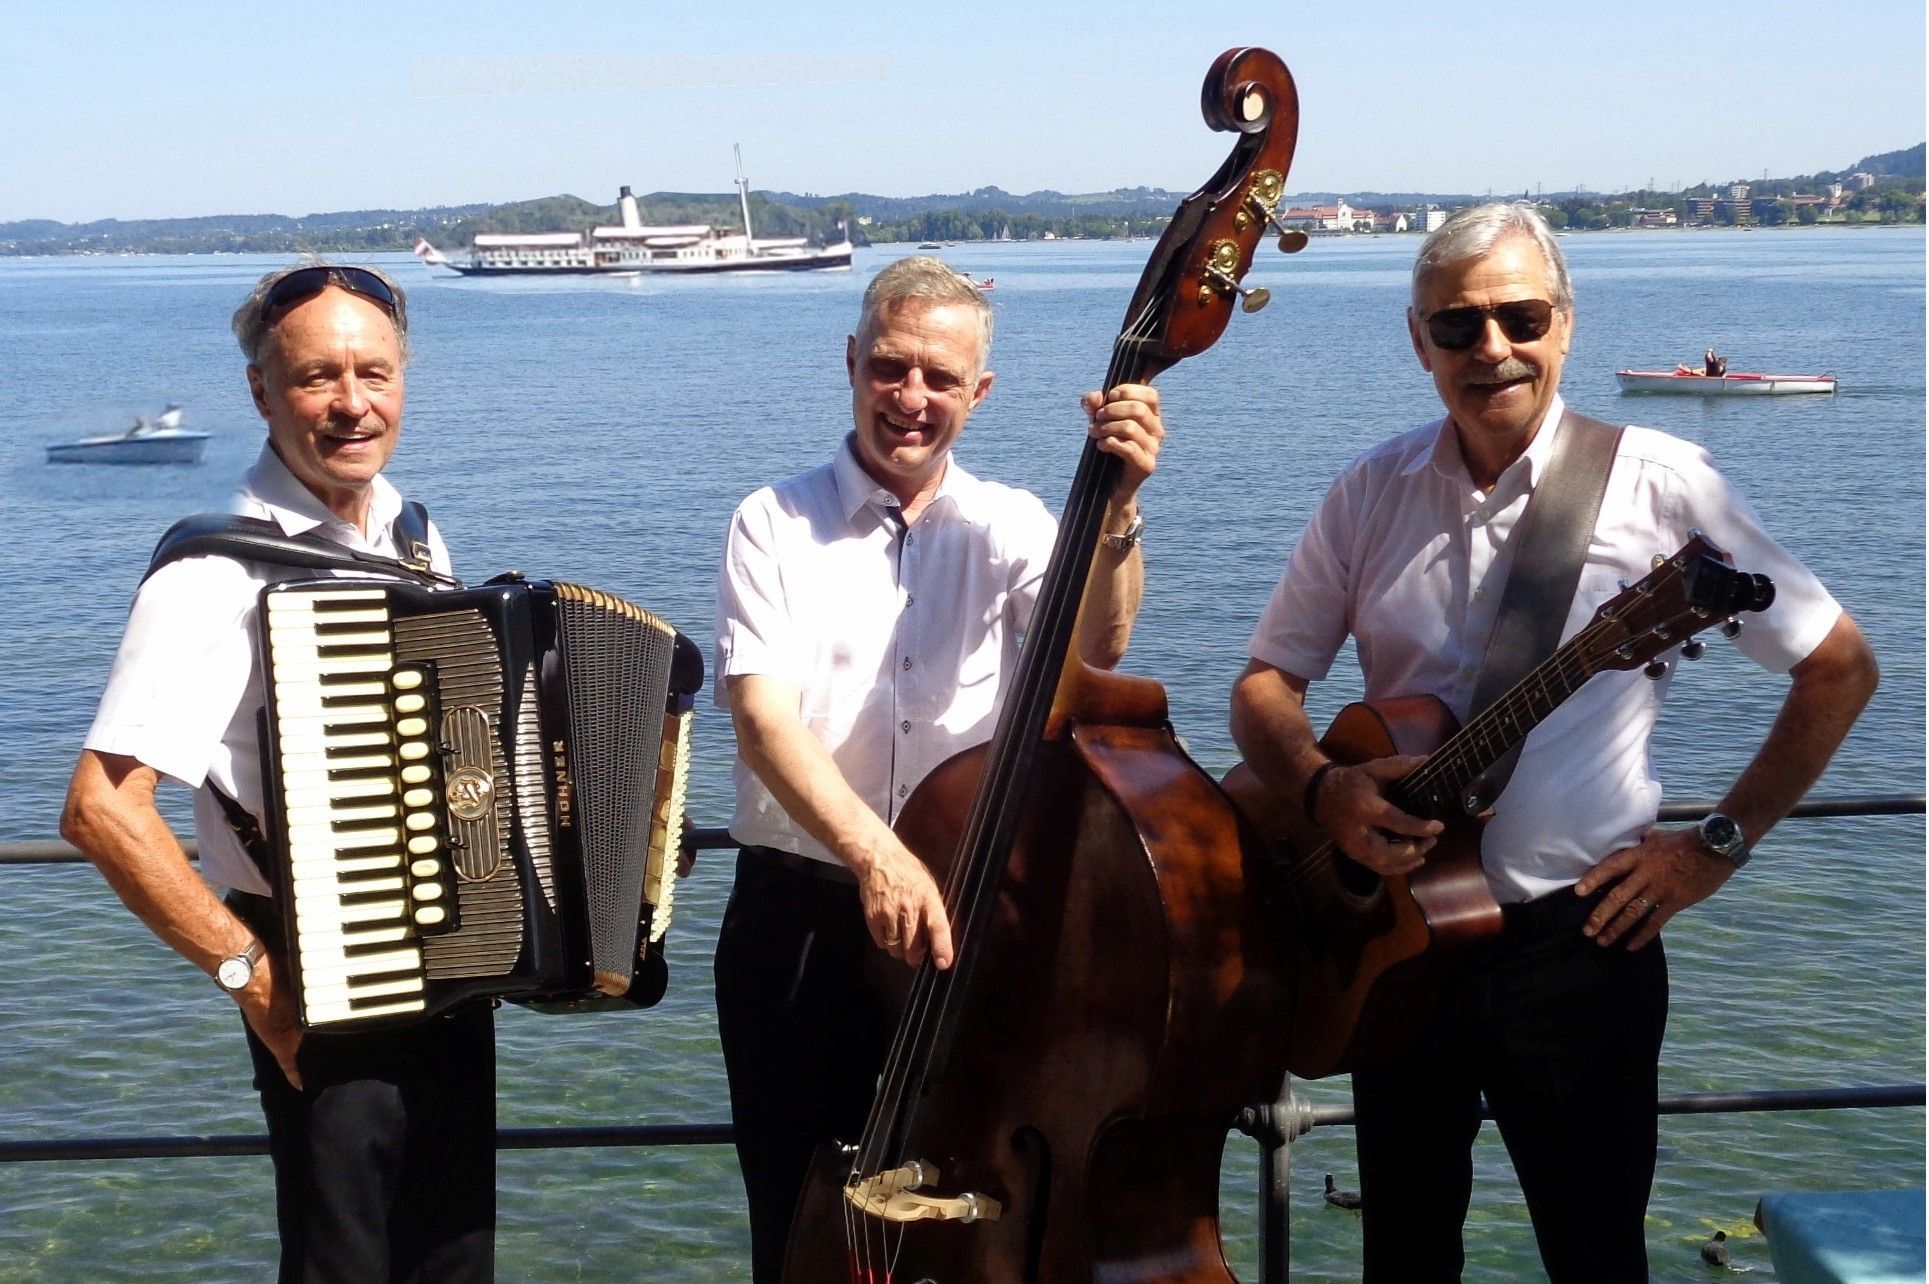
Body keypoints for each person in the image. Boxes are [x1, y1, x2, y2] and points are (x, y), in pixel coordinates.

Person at [1228, 203, 1876, 1283]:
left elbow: (1840, 667)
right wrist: (1320, 788)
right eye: (1457, 326)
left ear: (1565, 325)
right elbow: (1262, 686)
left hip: (1581, 945)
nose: (1492, 349)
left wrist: (1713, 844)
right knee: (1405, 1257)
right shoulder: (1370, 491)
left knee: (1594, 1258)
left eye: (1520, 317)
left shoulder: (1666, 483)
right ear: (1418, 341)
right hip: (1397, 944)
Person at [712, 255, 1164, 1281]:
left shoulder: (1013, 525)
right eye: (890, 368)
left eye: (940, 379)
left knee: (961, 1217)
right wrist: (876, 856)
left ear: (979, 393)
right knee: (797, 1222)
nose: (911, 400)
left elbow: (1095, 649)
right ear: (851, 361)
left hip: (964, 929)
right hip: (802, 921)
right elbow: (761, 718)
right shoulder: (771, 523)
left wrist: (1118, 512)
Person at [60, 262, 494, 1283]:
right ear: (262, 391)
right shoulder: (217, 573)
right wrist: (248, 975)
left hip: (448, 962)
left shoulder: (417, 538)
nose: (353, 404)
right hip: (314, 968)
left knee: (454, 1261)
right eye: (318, 378)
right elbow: (102, 810)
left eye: (375, 373)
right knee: (342, 1265)